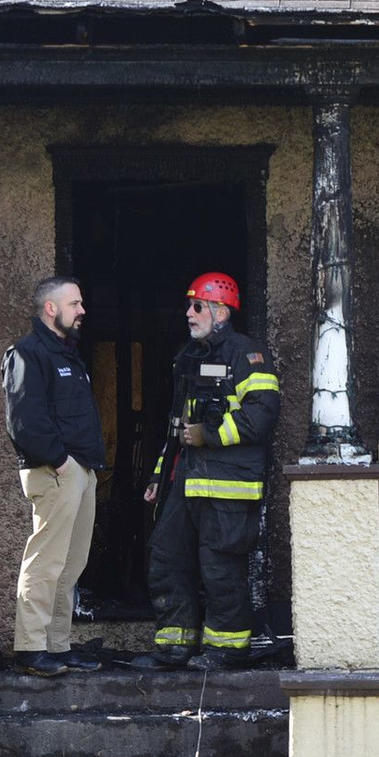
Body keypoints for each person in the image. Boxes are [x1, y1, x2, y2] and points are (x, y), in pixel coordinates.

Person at [131, 272, 281, 670]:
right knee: (167, 558)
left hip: (228, 487)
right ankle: (174, 646)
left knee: (220, 568)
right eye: (189, 306)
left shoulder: (247, 355)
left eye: (197, 306)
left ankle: (226, 650)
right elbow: (177, 428)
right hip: (186, 483)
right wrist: (159, 477)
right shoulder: (188, 358)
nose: (189, 314)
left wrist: (210, 435)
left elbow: (262, 416)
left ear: (220, 312)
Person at [2, 275, 108, 677]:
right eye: (75, 304)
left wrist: (81, 469)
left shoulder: (66, 355)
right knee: (46, 561)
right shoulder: (27, 353)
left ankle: (57, 647)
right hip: (56, 471)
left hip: (79, 470)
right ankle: (31, 648)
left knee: (71, 564)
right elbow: (24, 422)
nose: (82, 311)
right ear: (51, 308)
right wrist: (61, 462)